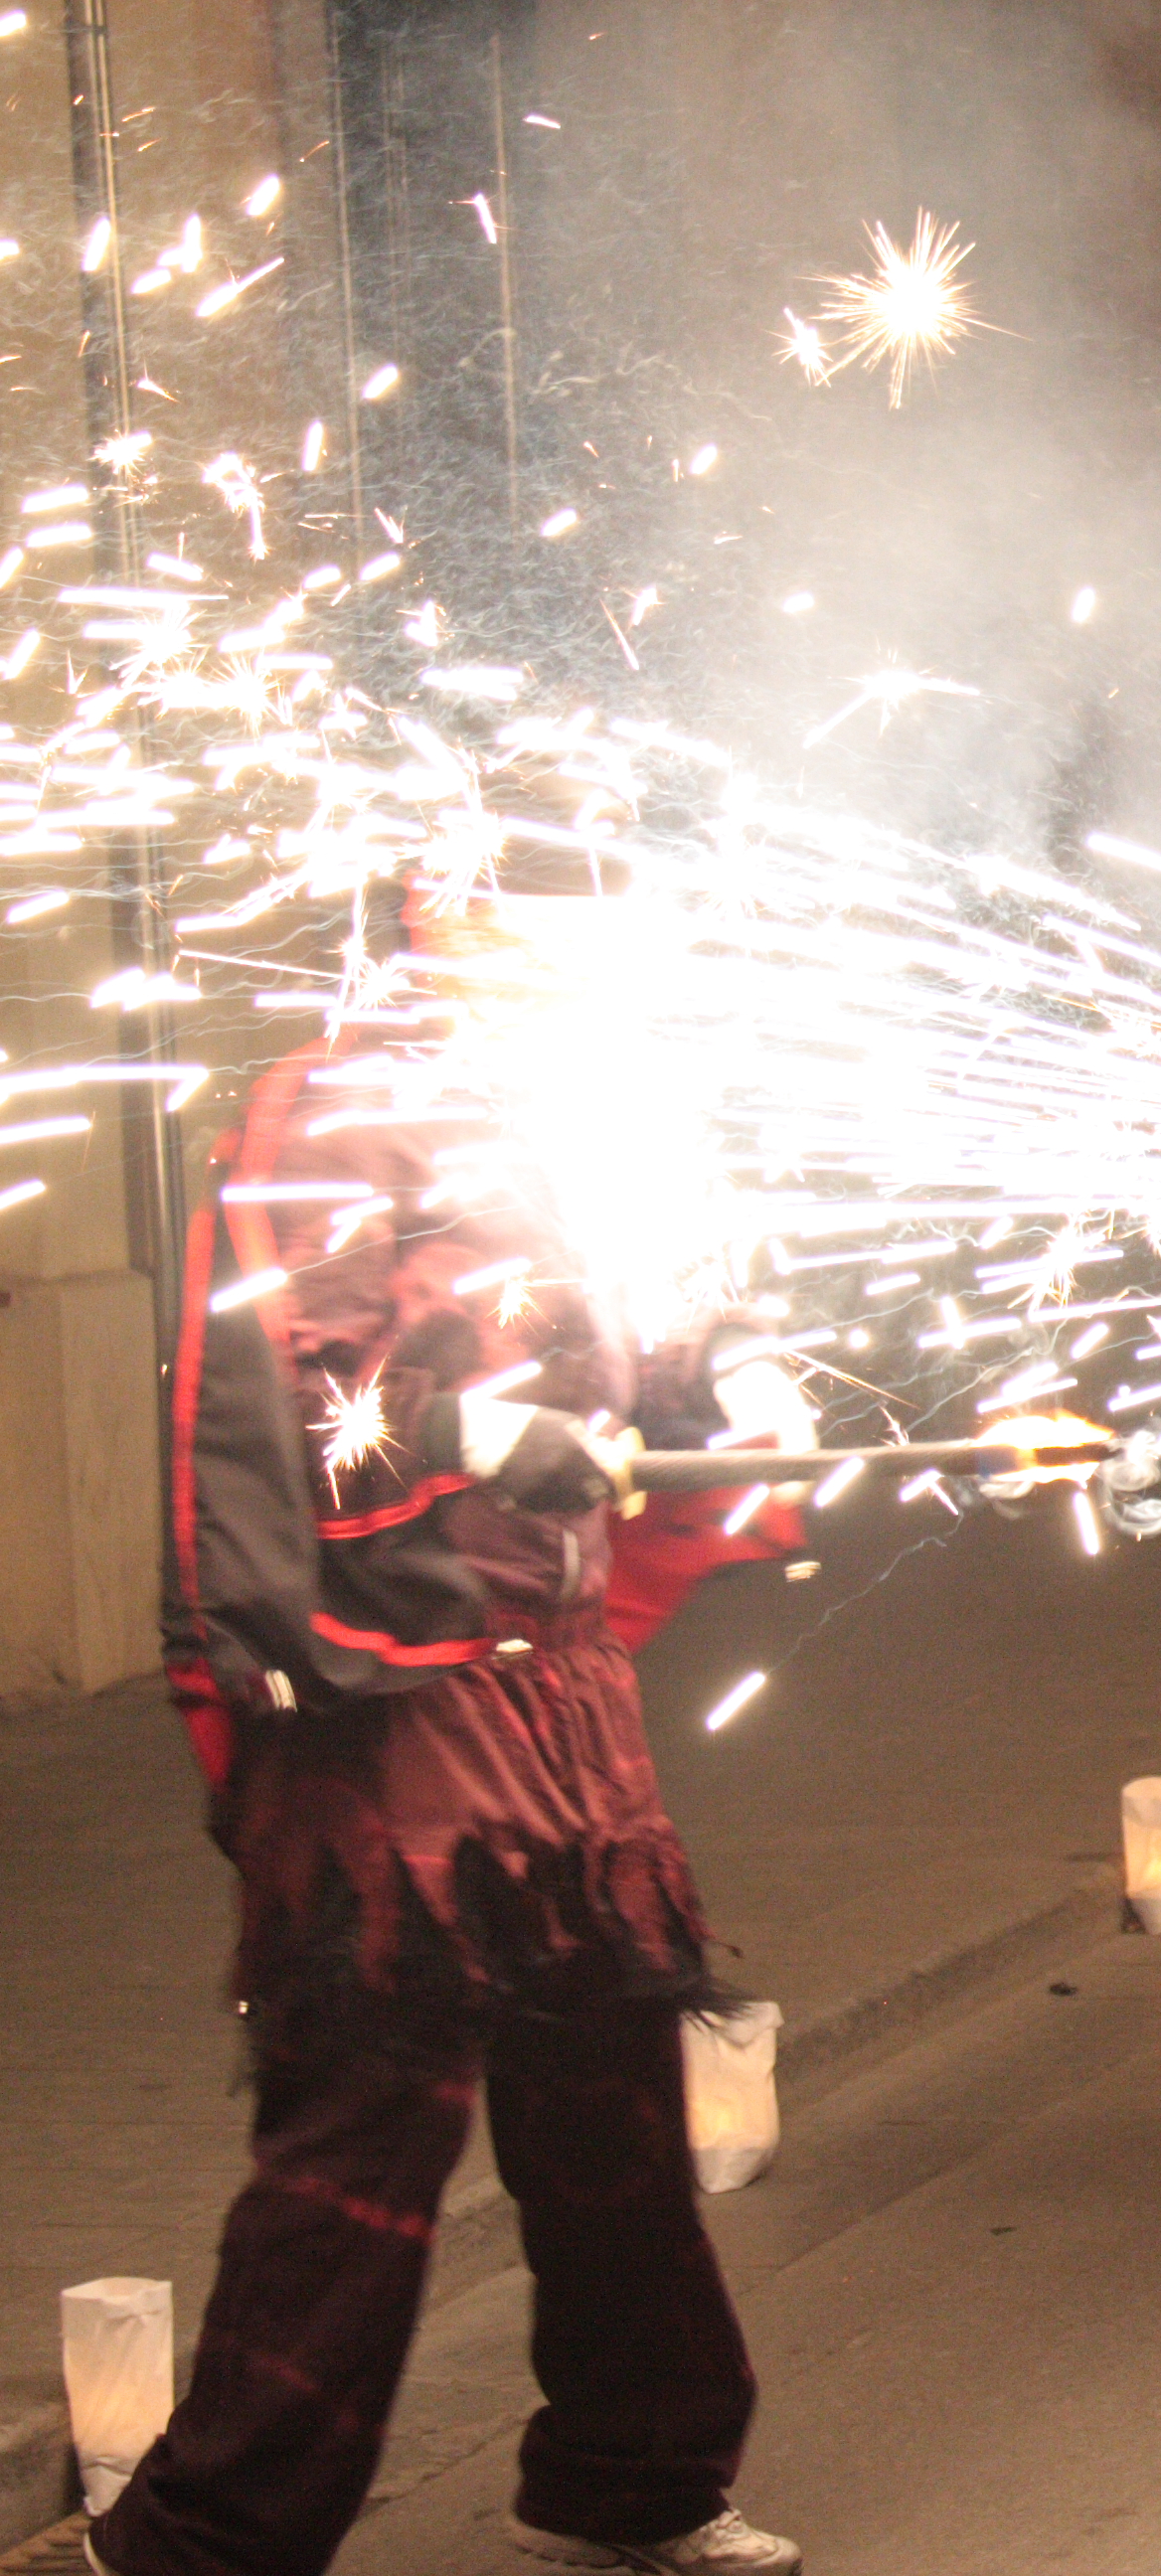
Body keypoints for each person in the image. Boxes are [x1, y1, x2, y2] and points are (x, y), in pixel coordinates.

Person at [101, 876, 806, 2576]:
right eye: (535, 905)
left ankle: (631, 2477)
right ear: (436, 907)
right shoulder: (337, 1110)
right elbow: (294, 1378)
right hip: (391, 1703)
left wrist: (737, 1371)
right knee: (365, 2133)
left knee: (609, 2093)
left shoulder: (590, 1103)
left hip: (559, 1692)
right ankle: (203, 2546)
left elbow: (661, 1315)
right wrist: (468, 1430)